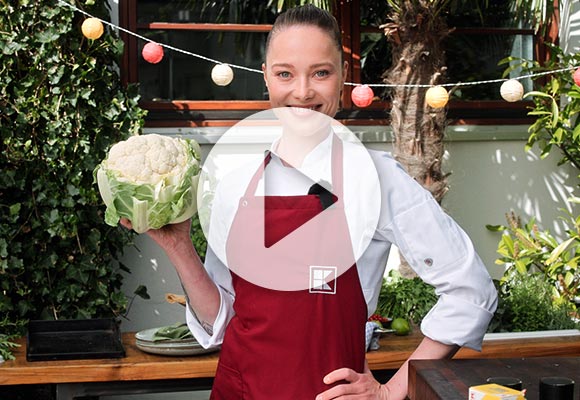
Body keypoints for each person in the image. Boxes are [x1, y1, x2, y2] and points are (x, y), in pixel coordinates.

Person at [122, 4, 497, 399]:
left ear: (343, 78)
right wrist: (179, 247)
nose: (302, 92)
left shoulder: (376, 177)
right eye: (285, 73)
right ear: (266, 78)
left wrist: (391, 392)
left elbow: (471, 290)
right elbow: (222, 320)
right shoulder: (234, 181)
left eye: (320, 72)